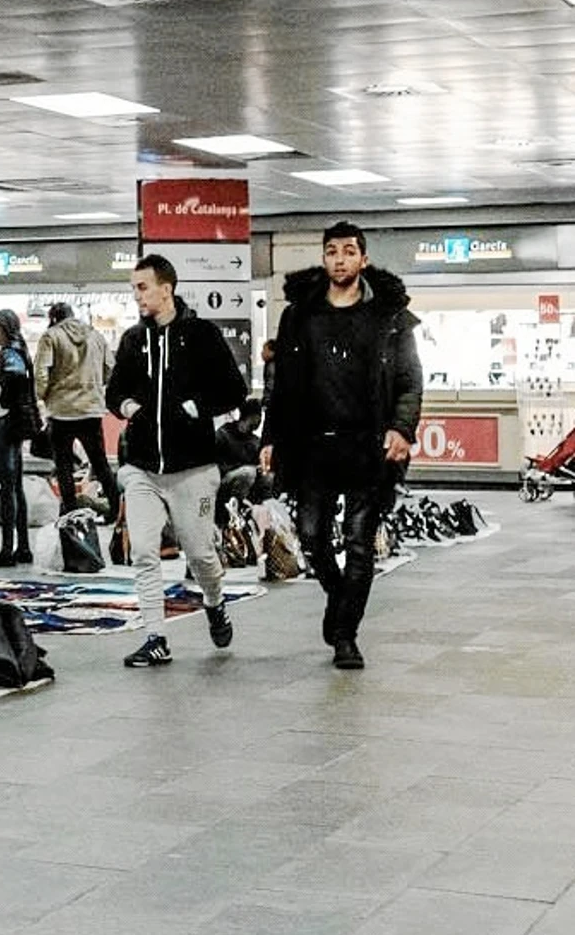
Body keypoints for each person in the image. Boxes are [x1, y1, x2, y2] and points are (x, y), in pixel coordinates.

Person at [261, 222, 422, 671]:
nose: (339, 259)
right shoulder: (300, 315)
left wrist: (402, 429)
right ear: (324, 258)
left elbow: (410, 379)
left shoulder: (389, 316)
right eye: (331, 251)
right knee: (311, 536)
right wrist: (270, 437)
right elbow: (281, 384)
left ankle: (346, 635)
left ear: (363, 260)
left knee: (359, 542)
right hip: (312, 446)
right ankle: (339, 597)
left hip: (368, 446)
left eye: (348, 251)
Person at [107, 254, 248, 668]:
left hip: (194, 468)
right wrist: (129, 407)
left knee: (200, 552)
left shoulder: (202, 335)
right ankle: (155, 637)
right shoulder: (134, 340)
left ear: (166, 289)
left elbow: (234, 391)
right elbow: (114, 392)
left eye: (142, 287)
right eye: (134, 288)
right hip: (142, 468)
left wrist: (193, 408)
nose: (137, 296)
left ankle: (215, 601)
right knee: (144, 551)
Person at [36, 301, 121, 518]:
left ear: (53, 318)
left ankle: (70, 512)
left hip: (61, 411)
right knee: (100, 463)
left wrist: (44, 396)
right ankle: (116, 509)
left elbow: (41, 374)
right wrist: (94, 387)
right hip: (90, 410)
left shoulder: (50, 336)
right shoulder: (96, 335)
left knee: (63, 465)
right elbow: (111, 368)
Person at [0, 309, 40, 568]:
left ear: (2, 329)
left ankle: (7, 548)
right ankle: (22, 546)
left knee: (5, 485)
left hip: (5, 422)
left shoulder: (9, 355)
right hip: (12, 422)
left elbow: (10, 385)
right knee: (15, 486)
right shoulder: (19, 351)